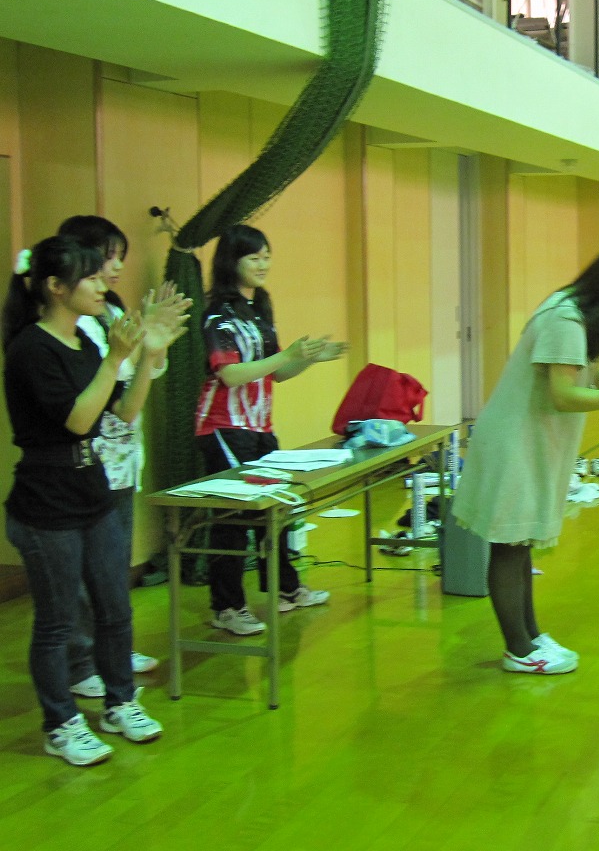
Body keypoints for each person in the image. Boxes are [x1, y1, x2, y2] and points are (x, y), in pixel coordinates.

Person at [451, 241, 599, 674]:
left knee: (520, 544)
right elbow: (565, 395)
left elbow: (588, 378)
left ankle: (531, 637)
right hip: (515, 443)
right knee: (509, 545)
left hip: (529, 442)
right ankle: (519, 650)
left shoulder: (573, 311)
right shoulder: (565, 319)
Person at [3, 236, 186, 765]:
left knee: (115, 608)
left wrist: (149, 355)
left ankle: (120, 703)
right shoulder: (31, 349)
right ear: (55, 287)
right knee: (57, 621)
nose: (103, 283)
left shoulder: (85, 345)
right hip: (45, 503)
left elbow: (121, 416)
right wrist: (118, 356)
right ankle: (60, 724)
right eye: (89, 276)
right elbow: (78, 421)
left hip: (93, 491)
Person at [195, 224, 347, 636]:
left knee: (276, 508)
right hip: (224, 427)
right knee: (233, 518)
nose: (263, 264)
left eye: (266, 256)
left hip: (260, 426)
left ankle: (284, 588)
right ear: (232, 262)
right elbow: (230, 375)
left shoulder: (258, 308)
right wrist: (287, 355)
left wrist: (309, 358)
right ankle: (227, 606)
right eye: (254, 257)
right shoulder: (217, 315)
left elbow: (276, 373)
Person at [58, 215, 185, 697]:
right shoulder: (71, 323)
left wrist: (155, 344)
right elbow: (108, 379)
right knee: (82, 570)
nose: (115, 268)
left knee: (113, 565)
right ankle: (80, 661)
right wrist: (138, 349)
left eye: (119, 258)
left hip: (124, 455)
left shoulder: (112, 310)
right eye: (106, 257)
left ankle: (113, 647)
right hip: (90, 458)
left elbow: (143, 372)